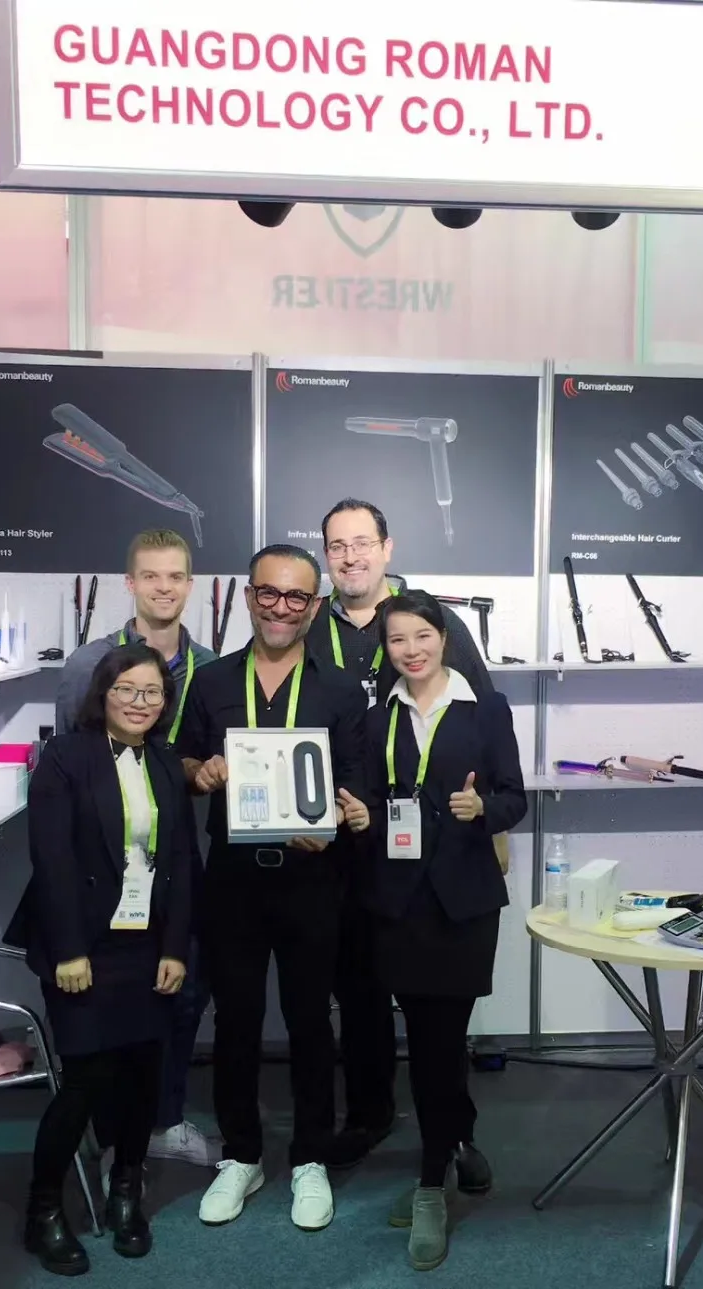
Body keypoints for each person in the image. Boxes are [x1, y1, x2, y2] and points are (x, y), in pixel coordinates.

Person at [177, 544, 368, 1232]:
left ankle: (310, 1156)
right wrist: (199, 773)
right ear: (248, 596)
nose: (281, 607)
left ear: (314, 606)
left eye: (296, 596)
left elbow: (357, 781)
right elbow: (181, 757)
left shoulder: (339, 690)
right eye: (269, 593)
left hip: (313, 878)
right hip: (233, 879)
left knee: (311, 1018)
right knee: (235, 1019)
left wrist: (341, 819)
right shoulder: (210, 681)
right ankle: (243, 1154)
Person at [307, 498, 496, 1183]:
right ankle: (369, 1113)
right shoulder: (308, 625)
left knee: (436, 1006)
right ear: (326, 555)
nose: (350, 556)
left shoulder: (430, 622)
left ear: (387, 548)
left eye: (362, 542)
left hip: (425, 850)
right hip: (340, 841)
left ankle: (455, 1132)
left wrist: (487, 823)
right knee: (357, 989)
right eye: (337, 546)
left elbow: (480, 726)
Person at [6, 643, 193, 1277]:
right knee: (85, 1081)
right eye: (127, 690)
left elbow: (181, 864)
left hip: (146, 944)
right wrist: (69, 950)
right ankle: (43, 1211)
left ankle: (125, 1193)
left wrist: (176, 948)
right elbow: (52, 860)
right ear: (103, 694)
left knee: (143, 1074)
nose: (140, 703)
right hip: (83, 946)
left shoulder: (164, 761)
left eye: (152, 692)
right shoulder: (65, 758)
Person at [362, 590, 527, 1270]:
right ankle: (457, 1145)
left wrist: (482, 807)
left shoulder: (485, 708)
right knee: (434, 1043)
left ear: (443, 637)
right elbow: (371, 798)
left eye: (422, 635)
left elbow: (515, 798)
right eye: (397, 639)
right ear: (386, 648)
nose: (411, 650)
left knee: (438, 1041)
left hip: (463, 904)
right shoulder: (378, 717)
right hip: (400, 905)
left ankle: (431, 1184)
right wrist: (360, 814)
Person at [56, 528, 218, 1174]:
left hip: (175, 857)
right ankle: (110, 1136)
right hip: (104, 866)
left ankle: (164, 1121)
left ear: (190, 584)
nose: (163, 588)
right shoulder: (88, 664)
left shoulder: (210, 667)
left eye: (175, 576)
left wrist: (203, 771)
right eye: (150, 576)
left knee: (182, 991)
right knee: (107, 1003)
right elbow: (69, 763)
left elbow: (205, 755)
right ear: (130, 583)